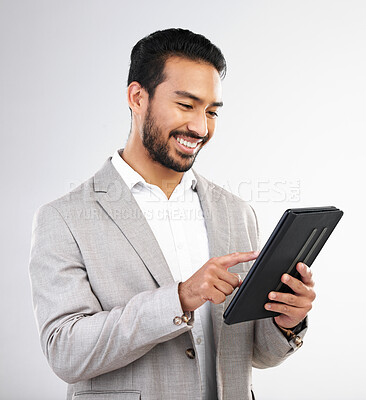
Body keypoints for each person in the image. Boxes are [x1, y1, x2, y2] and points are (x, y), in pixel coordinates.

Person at [29, 28, 316, 400]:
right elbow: (65, 352)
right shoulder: (63, 218)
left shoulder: (236, 212)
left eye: (211, 111)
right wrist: (180, 298)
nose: (201, 127)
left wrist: (285, 321)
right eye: (186, 105)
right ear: (137, 97)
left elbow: (252, 353)